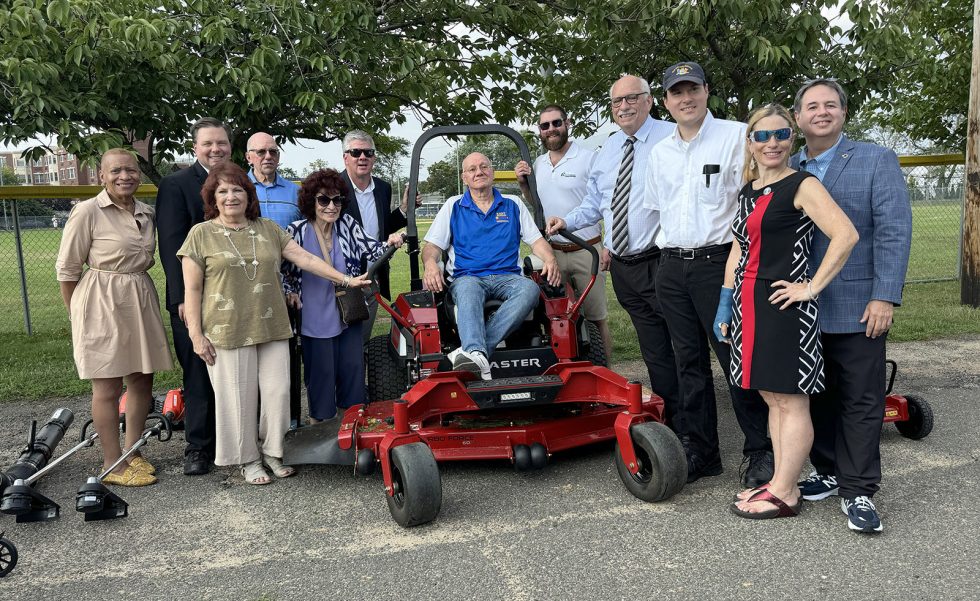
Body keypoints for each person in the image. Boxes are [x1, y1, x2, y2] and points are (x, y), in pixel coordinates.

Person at [177, 163, 372, 485]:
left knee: (277, 393)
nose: (231, 197)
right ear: (212, 196)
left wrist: (346, 279)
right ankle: (248, 459)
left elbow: (306, 259)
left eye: (237, 190)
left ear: (248, 194)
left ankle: (273, 451)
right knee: (238, 397)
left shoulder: (267, 228)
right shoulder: (201, 234)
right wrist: (196, 335)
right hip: (228, 330)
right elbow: (193, 290)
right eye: (222, 191)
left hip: (272, 327)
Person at [716, 104, 857, 519]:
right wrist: (726, 301)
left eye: (780, 134)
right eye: (762, 136)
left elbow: (845, 235)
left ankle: (785, 493)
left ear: (790, 139)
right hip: (749, 304)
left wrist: (810, 287)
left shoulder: (802, 184)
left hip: (783, 307)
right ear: (750, 143)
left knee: (791, 402)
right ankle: (782, 480)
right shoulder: (749, 190)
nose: (771, 143)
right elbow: (739, 248)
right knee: (771, 397)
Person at [641, 62, 773, 485]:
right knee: (688, 365)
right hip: (672, 266)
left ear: (706, 91)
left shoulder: (737, 137)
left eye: (692, 89)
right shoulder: (658, 152)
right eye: (676, 93)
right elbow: (655, 211)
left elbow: (754, 200)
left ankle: (760, 452)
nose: (686, 98)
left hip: (720, 265)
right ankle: (702, 450)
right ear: (665, 101)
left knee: (735, 360)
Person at [791, 78, 912, 533]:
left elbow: (894, 229)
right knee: (815, 395)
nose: (821, 112)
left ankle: (858, 490)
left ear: (843, 112)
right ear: (798, 117)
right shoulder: (786, 163)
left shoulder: (875, 159)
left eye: (830, 105)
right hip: (800, 308)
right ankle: (825, 470)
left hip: (859, 303)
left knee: (861, 399)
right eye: (811, 106)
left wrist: (884, 295)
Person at [545, 74, 679, 430]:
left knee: (684, 347)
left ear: (650, 100)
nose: (624, 106)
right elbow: (595, 203)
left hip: (662, 260)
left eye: (632, 98)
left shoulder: (672, 138)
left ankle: (700, 434)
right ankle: (673, 421)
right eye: (617, 102)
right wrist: (566, 220)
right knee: (654, 351)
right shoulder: (609, 151)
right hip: (624, 265)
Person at [55, 149, 173, 486]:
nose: (125, 176)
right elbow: (67, 270)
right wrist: (78, 312)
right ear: (101, 176)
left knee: (141, 378)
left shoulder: (146, 213)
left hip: (138, 294)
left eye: (131, 170)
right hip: (101, 297)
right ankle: (112, 463)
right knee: (107, 384)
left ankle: (132, 451)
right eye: (116, 170)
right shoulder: (87, 211)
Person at [423, 152, 561, 380]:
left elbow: (537, 241)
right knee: (467, 288)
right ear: (464, 177)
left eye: (484, 166)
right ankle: (477, 352)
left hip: (508, 277)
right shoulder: (452, 206)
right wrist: (430, 263)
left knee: (530, 289)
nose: (479, 172)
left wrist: (550, 259)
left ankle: (475, 354)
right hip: (468, 277)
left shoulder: (512, 204)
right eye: (472, 169)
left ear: (492, 172)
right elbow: (432, 248)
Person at [282, 169, 404, 423]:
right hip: (314, 309)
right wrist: (290, 291)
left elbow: (372, 249)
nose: (331, 206)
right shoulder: (297, 230)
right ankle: (322, 421)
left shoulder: (347, 224)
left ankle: (352, 418)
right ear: (311, 201)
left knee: (352, 366)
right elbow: (285, 271)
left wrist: (391, 241)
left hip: (348, 307)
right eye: (323, 200)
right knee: (321, 371)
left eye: (337, 200)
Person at [156, 117, 230, 476]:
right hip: (193, 297)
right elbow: (171, 247)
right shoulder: (176, 185)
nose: (215, 150)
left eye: (222, 144)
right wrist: (182, 299)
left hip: (231, 297)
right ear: (195, 148)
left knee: (230, 370)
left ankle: (232, 441)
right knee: (199, 372)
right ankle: (199, 447)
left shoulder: (236, 183)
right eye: (208, 144)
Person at [514, 104, 613, 360]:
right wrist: (525, 186)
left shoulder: (588, 158)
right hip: (552, 254)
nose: (551, 130)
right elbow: (537, 205)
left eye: (556, 123)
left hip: (585, 248)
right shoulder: (539, 163)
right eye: (545, 126)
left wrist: (608, 245)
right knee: (555, 318)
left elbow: (605, 204)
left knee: (595, 317)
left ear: (567, 123)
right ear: (540, 130)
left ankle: (604, 371)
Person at [245, 132, 303, 430]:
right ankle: (254, 423)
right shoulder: (238, 190)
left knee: (287, 356)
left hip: (285, 287)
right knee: (250, 356)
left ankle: (289, 420)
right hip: (247, 288)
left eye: (273, 152)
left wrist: (293, 286)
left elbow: (302, 242)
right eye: (261, 152)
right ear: (249, 157)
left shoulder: (294, 192)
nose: (268, 157)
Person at [340, 130, 411, 344]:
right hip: (343, 280)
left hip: (372, 277)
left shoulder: (383, 188)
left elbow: (383, 227)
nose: (362, 157)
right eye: (356, 152)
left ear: (374, 158)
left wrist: (405, 209)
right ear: (346, 157)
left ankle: (357, 377)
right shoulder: (333, 187)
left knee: (361, 342)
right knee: (341, 342)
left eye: (368, 153)